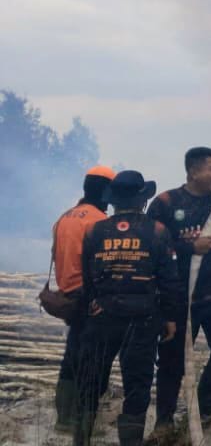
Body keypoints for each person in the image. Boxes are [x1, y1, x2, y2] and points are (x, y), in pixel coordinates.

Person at [74, 170, 182, 446]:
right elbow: (169, 280)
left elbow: (86, 278)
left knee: (90, 382)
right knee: (137, 386)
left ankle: (80, 440)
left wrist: (90, 307)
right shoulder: (158, 232)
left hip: (102, 317)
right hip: (143, 319)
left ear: (113, 201)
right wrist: (170, 318)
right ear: (142, 200)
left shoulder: (95, 231)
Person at [149, 147, 211, 429]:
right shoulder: (166, 203)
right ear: (193, 172)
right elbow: (153, 250)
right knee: (171, 361)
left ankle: (203, 406)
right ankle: (164, 423)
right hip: (176, 296)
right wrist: (190, 247)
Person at [50, 165, 116, 429]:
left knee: (72, 355)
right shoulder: (99, 221)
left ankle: (63, 417)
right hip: (91, 298)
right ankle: (81, 418)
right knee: (92, 360)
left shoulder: (65, 217)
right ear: (107, 191)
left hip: (68, 296)